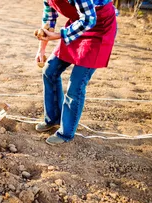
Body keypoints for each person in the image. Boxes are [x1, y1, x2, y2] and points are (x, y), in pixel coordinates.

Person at [34, 0, 117, 145]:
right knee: (50, 70)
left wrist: (60, 34)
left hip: (100, 28)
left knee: (76, 84)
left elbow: (89, 19)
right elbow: (49, 20)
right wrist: (41, 49)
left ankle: (66, 133)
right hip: (77, 26)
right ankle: (53, 119)